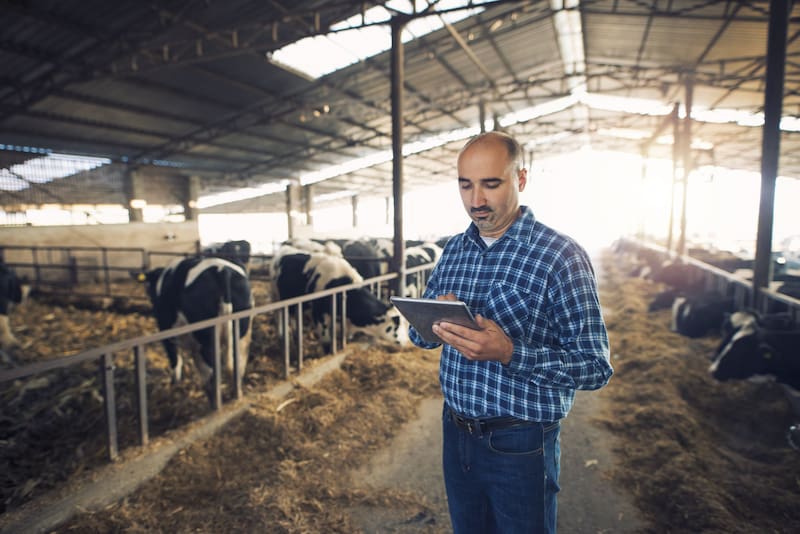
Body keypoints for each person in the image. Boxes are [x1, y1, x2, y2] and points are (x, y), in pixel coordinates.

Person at [408, 131, 613, 534]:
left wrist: (509, 352)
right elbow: (421, 338)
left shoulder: (560, 255)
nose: (476, 201)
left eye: (491, 184)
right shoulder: (453, 250)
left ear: (520, 179)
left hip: (520, 442)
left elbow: (594, 367)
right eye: (465, 185)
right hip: (458, 432)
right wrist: (432, 324)